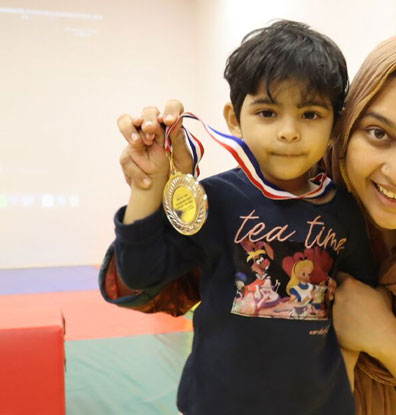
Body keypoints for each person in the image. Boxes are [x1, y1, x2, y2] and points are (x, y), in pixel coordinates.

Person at [101, 31, 396, 415]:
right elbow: (145, 285)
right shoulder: (288, 192)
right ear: (347, 130)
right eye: (378, 133)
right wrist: (155, 187)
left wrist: (386, 339)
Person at [108, 20, 376, 415]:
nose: (288, 132)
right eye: (267, 112)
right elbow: (140, 273)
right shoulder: (213, 199)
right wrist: (147, 187)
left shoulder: (346, 209)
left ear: (335, 124)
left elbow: (360, 306)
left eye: (310, 114)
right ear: (234, 118)